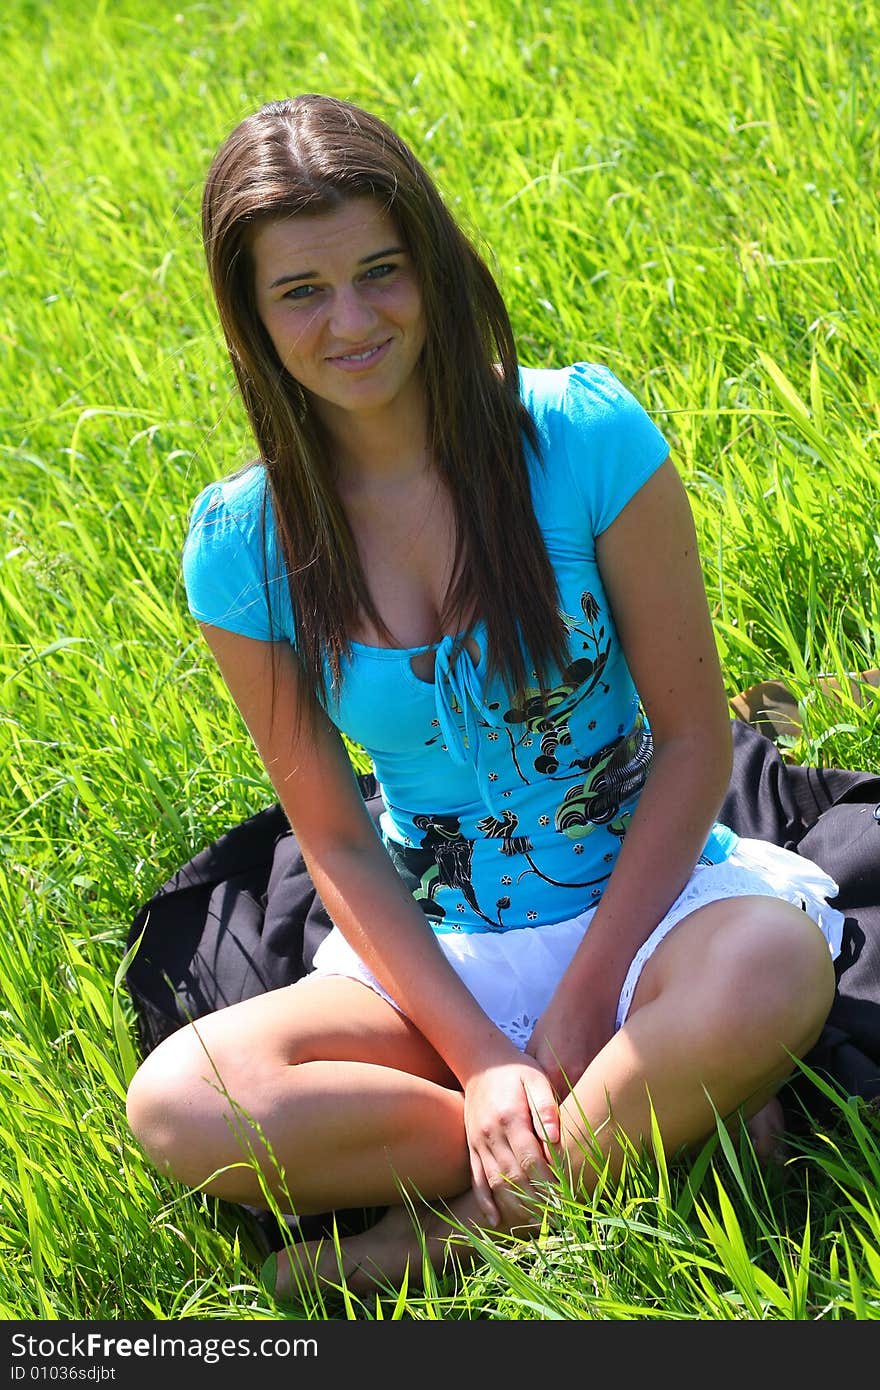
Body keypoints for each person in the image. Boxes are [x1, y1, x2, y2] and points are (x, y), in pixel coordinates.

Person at [125, 93, 844, 1296]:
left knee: (774, 967)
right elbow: (335, 838)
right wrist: (477, 1057)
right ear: (250, 316)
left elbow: (686, 744)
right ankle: (656, 1131)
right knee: (182, 1108)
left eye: (379, 271)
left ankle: (446, 1237)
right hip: (437, 956)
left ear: (431, 265)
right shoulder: (239, 544)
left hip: (655, 913)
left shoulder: (580, 435)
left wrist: (563, 1034)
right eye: (302, 290)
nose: (352, 320)